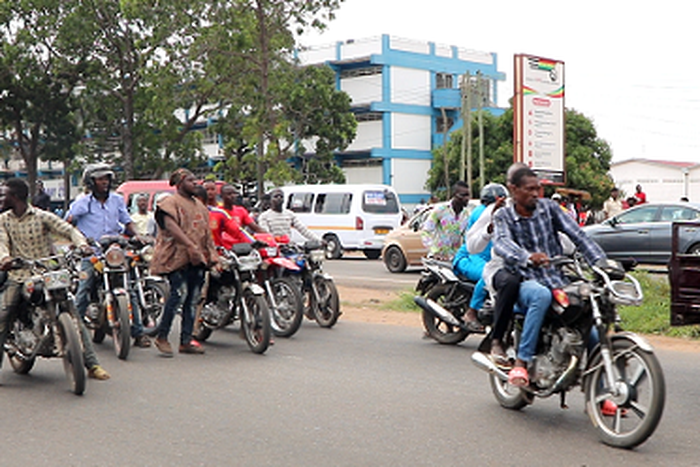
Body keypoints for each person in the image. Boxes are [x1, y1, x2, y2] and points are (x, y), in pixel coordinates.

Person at [492, 165, 607, 388]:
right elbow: (501, 243)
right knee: (541, 295)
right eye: (529, 189)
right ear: (513, 189)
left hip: (556, 278)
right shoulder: (503, 215)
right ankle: (521, 362)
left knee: (589, 325)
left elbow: (578, 235)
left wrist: (602, 264)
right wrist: (527, 257)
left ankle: (601, 392)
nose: (535, 194)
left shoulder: (550, 209)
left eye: (538, 189)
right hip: (524, 280)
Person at [0, 178, 111, 380]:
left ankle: (93, 365)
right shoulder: (3, 220)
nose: (1, 197)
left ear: (15, 197)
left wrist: (82, 245)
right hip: (19, 274)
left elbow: (68, 230)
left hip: (47, 272)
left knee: (73, 312)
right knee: (3, 316)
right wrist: (5, 258)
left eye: (4, 194)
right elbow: (1, 242)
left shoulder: (42, 216)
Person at [66, 163, 151, 348]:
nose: (104, 182)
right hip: (93, 255)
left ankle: (138, 333)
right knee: (83, 289)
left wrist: (136, 235)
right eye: (100, 179)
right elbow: (68, 222)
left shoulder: (117, 200)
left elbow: (127, 221)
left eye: (106, 179)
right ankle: (76, 332)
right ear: (91, 181)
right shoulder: (82, 202)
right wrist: (78, 241)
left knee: (131, 289)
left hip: (114, 252)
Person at [148, 168, 219, 356]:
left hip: (197, 260)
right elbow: (171, 227)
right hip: (175, 257)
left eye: (196, 180)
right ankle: (162, 336)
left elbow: (206, 233)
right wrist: (190, 246)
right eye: (190, 180)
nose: (195, 183)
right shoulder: (168, 203)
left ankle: (186, 340)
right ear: (179, 183)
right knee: (178, 294)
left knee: (193, 298)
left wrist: (211, 254)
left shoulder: (200, 206)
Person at [452, 183, 508, 332]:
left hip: (488, 257)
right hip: (471, 257)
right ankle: (472, 312)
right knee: (489, 275)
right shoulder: (482, 212)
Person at [421, 181, 471, 260]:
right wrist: (434, 251)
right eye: (463, 195)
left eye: (468, 195)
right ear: (454, 195)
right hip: (437, 259)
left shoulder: (466, 215)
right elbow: (426, 231)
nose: (467, 199)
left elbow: (467, 237)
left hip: (454, 259)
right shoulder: (441, 210)